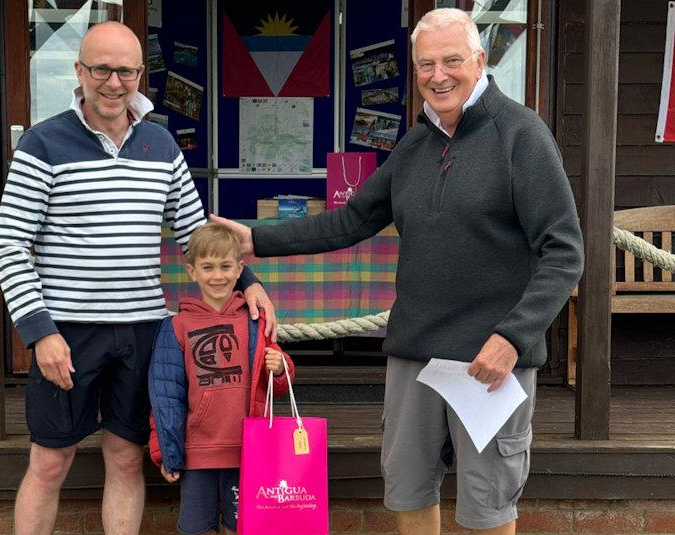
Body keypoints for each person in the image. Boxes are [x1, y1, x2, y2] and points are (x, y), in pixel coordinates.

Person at [212, 8, 584, 535]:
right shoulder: (415, 144)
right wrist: (258, 240)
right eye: (426, 64)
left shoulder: (522, 135)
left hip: (491, 361)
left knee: (488, 505)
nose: (439, 75)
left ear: (479, 62)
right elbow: (353, 219)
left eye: (452, 60)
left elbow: (565, 251)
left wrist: (513, 337)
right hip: (416, 352)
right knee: (407, 490)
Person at [0, 22, 277, 535]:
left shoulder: (160, 143)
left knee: (125, 457)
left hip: (143, 330)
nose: (113, 82)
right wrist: (39, 332)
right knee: (50, 462)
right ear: (79, 72)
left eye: (125, 70)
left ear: (140, 75)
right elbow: (9, 244)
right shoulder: (43, 143)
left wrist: (247, 278)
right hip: (66, 333)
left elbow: (196, 230)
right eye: (101, 69)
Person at [147, 223, 296, 535]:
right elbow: (165, 396)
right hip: (196, 453)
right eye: (208, 267)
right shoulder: (177, 326)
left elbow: (278, 386)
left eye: (226, 266)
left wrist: (280, 368)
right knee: (195, 529)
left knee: (241, 527)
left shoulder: (256, 321)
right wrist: (165, 450)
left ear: (240, 268)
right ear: (192, 271)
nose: (218, 276)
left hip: (248, 452)